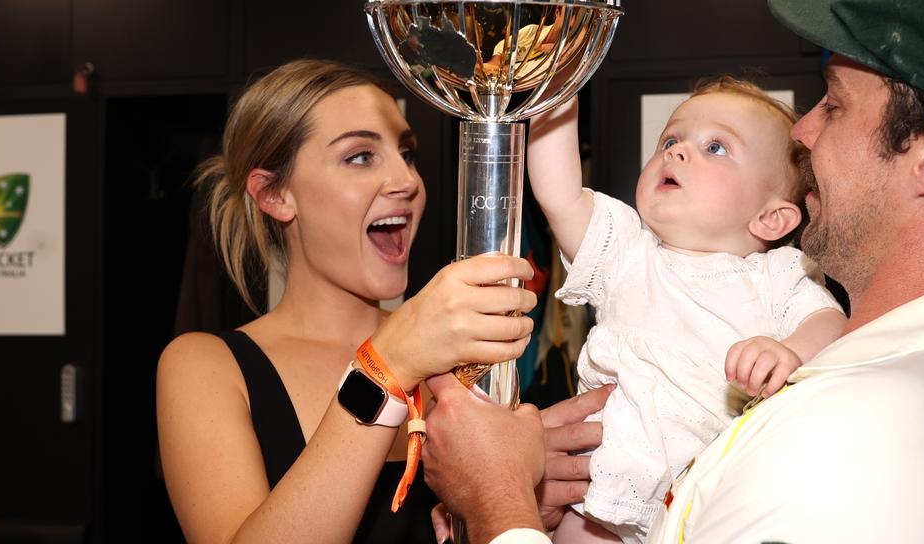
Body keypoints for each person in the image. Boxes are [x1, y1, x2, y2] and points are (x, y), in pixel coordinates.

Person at [419, 0, 924, 543]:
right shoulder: (922, 385)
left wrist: (497, 505)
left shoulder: (862, 444)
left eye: (834, 106)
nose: (803, 132)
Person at [155, 59, 608, 544]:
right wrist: (384, 368)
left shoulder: (454, 356)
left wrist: (517, 497)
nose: (407, 181)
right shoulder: (206, 366)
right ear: (275, 195)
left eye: (406, 153)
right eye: (360, 157)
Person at [527, 77, 847, 543]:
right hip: (602, 499)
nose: (675, 152)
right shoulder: (628, 254)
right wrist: (556, 91)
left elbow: (832, 324)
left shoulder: (778, 274)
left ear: (771, 218)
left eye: (716, 147)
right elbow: (559, 195)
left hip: (714, 507)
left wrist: (791, 351)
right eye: (670, 140)